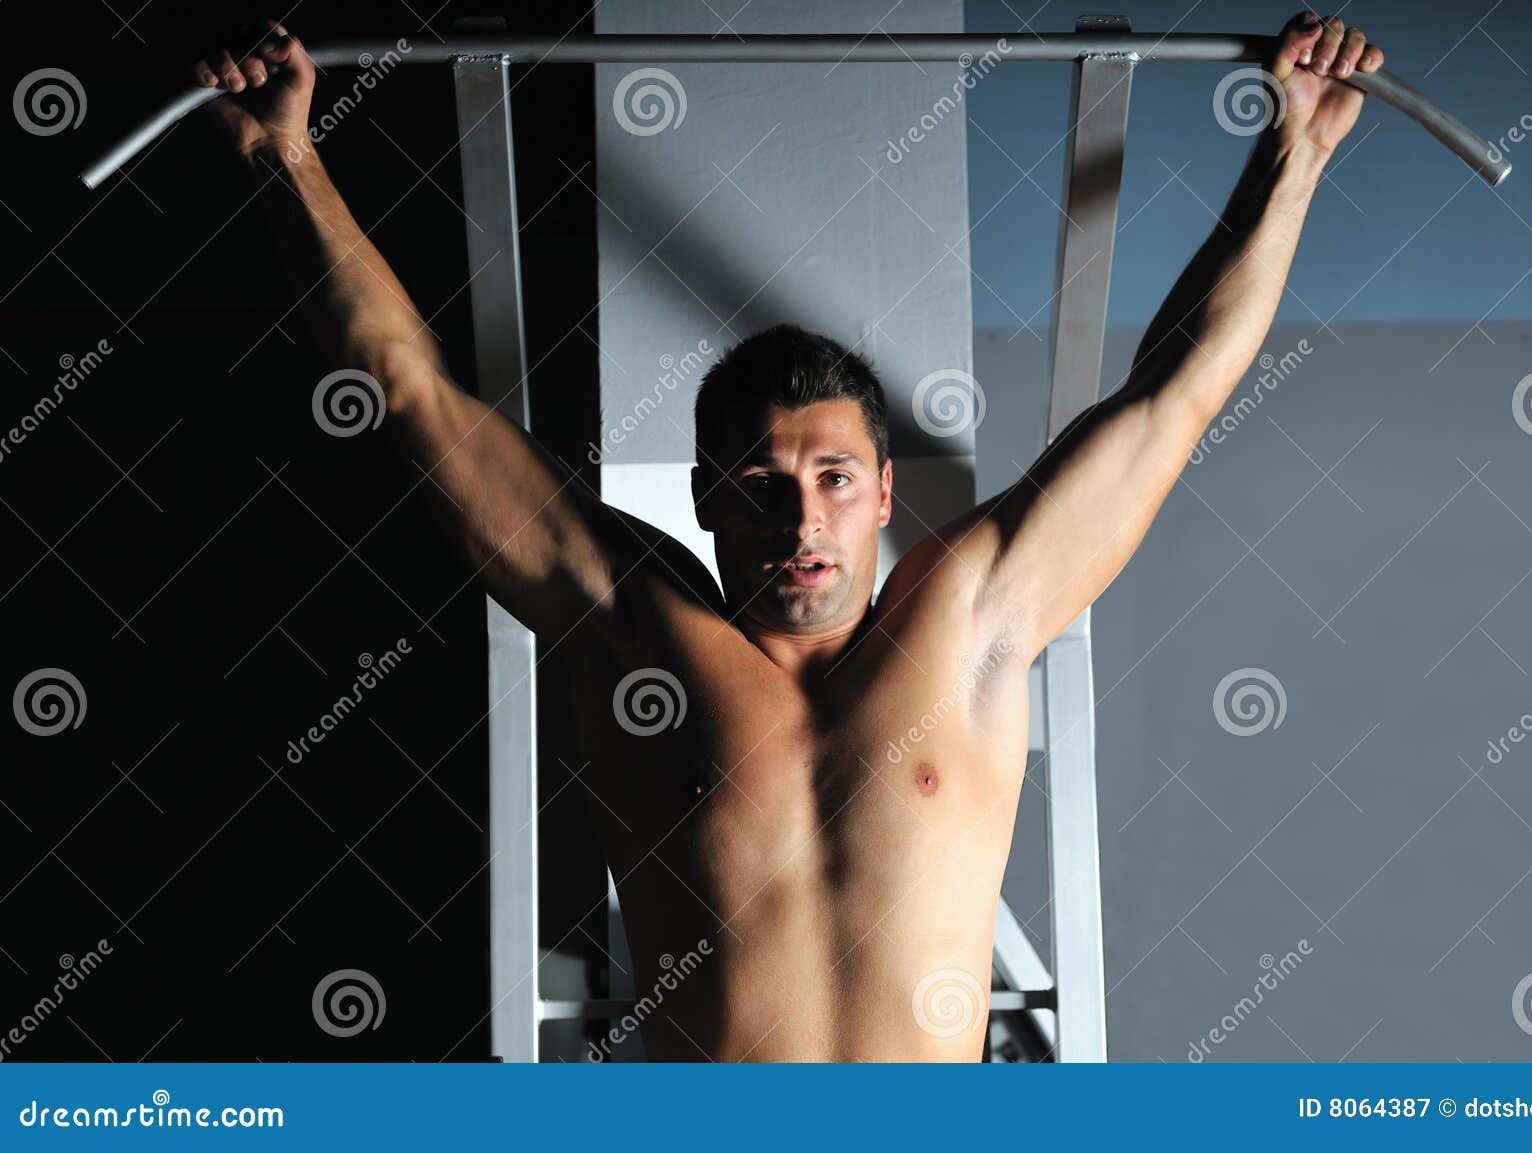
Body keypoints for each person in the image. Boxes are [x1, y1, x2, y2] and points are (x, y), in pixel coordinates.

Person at [195, 10, 1383, 1060]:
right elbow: (413, 395)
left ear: (879, 493)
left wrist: (1296, 153)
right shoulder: (630, 625)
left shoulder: (973, 613)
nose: (800, 515)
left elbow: (1174, 395)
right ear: (706, 497)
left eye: (831, 477)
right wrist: (284, 158)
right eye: (761, 483)